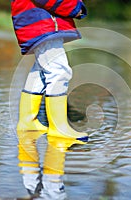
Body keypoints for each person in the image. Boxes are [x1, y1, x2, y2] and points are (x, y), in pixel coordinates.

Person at [11, 0, 88, 142]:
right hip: (42, 23)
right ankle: (58, 127)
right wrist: (74, 7)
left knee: (41, 69)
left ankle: (27, 121)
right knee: (59, 71)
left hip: (38, 23)